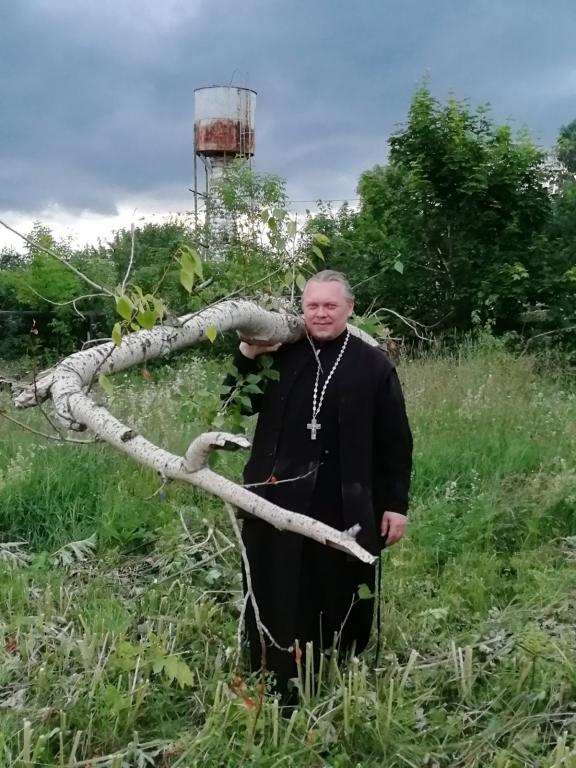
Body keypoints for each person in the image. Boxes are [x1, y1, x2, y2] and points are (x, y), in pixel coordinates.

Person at [228, 270, 413, 700]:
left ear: (350, 308)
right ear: (302, 308)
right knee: (275, 579)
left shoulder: (374, 366)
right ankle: (271, 664)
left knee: (334, 582)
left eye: (331, 305)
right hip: (274, 493)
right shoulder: (279, 352)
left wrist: (395, 504)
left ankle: (334, 663)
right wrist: (247, 351)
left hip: (342, 497)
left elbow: (396, 442)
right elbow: (237, 402)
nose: (321, 313)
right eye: (312, 305)